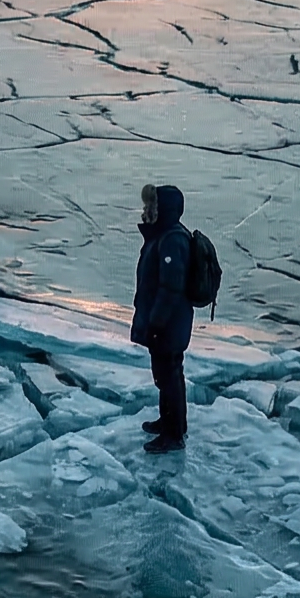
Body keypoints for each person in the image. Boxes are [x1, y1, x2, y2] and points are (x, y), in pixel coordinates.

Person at [129, 183, 195, 453]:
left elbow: (170, 288)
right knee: (165, 375)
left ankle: (174, 434)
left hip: (168, 324)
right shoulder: (164, 235)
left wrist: (156, 323)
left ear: (162, 209)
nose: (146, 210)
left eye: (151, 206)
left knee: (169, 375)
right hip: (166, 322)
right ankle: (169, 423)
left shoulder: (172, 239)